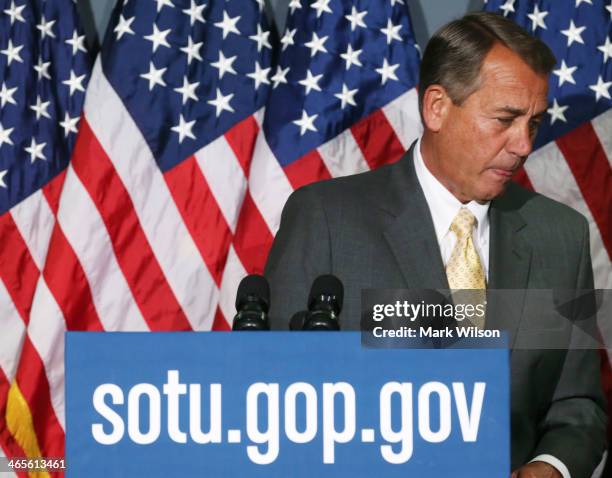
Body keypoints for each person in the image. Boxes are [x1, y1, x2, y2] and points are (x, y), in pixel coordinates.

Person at [264, 11, 607, 478]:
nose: (524, 144)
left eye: (534, 123)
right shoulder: (326, 220)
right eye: (505, 119)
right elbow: (273, 397)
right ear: (437, 108)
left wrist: (550, 467)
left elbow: (577, 408)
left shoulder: (560, 235)